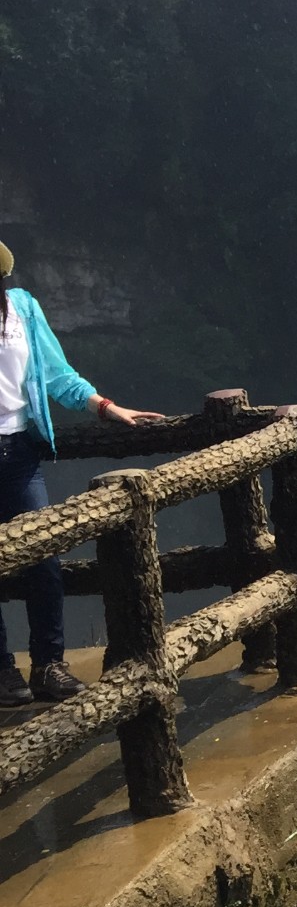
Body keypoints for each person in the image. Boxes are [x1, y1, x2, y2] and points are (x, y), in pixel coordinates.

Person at [0, 239, 164, 707]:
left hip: (19, 453)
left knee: (44, 562)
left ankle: (49, 666)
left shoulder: (23, 311)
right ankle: (2, 672)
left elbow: (56, 375)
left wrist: (105, 407)